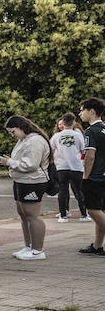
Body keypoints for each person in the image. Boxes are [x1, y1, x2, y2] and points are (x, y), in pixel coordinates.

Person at [0, 115, 52, 260]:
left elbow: (31, 164)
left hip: (33, 181)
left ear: (21, 127)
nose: (12, 135)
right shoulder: (24, 139)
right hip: (21, 180)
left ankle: (38, 250)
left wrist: (9, 162)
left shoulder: (35, 141)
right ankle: (29, 246)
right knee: (23, 214)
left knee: (32, 215)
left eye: (12, 131)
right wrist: (10, 161)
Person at [79, 99, 105, 255]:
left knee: (93, 210)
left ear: (92, 111)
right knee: (101, 211)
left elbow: (90, 156)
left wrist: (85, 177)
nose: (80, 113)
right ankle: (97, 246)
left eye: (82, 110)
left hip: (95, 177)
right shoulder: (104, 128)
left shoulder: (91, 131)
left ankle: (97, 245)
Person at [51, 113, 88, 222]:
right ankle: (84, 215)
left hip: (62, 167)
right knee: (79, 191)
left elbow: (51, 150)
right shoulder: (77, 135)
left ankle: (63, 215)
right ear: (73, 122)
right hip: (76, 167)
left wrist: (55, 160)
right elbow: (83, 150)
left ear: (63, 123)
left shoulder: (56, 136)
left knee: (62, 190)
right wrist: (81, 161)